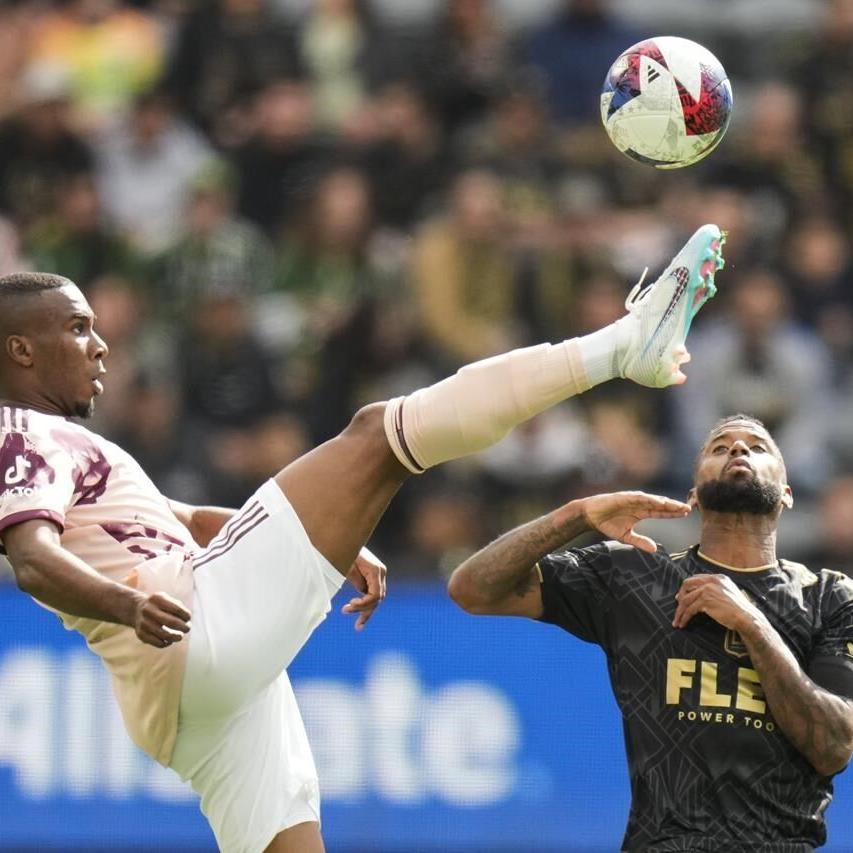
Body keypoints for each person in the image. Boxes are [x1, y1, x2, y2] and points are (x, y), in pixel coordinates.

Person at [0, 223, 724, 853]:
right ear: (20, 351)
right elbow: (32, 559)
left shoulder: (59, 441)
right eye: (75, 328)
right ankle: (621, 347)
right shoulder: (19, 432)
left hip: (185, 699)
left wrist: (335, 546)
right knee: (379, 433)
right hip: (190, 623)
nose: (99, 346)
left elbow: (183, 518)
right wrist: (125, 606)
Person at [448, 414, 853, 851]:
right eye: (719, 448)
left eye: (757, 447)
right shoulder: (632, 576)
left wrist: (752, 624)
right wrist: (576, 516)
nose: (738, 450)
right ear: (693, 494)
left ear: (787, 495)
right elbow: (473, 589)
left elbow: (833, 747)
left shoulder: (830, 598)